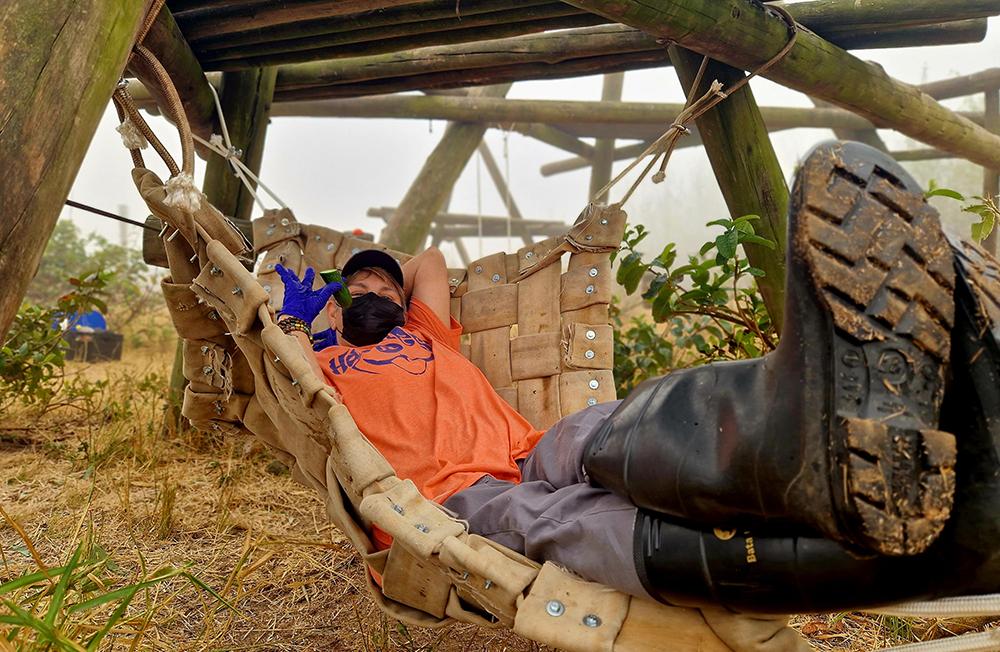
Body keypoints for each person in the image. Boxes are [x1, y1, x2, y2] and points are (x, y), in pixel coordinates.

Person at [274, 142, 1000, 613]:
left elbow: (429, 262)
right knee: (570, 523)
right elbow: (278, 355)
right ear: (337, 306)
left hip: (528, 449)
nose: (375, 292)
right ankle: (923, 554)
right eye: (360, 288)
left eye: (384, 286)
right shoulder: (321, 367)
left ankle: (817, 433)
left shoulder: (424, 333)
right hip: (446, 502)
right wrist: (327, 311)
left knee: (619, 422)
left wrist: (379, 280)